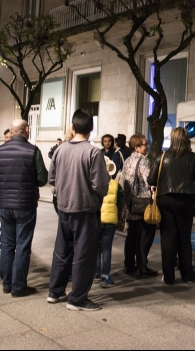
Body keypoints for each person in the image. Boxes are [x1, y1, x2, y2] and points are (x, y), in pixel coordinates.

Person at [47, 109, 110, 311]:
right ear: (91, 129)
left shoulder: (60, 150)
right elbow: (100, 185)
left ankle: (55, 291)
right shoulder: (93, 152)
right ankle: (77, 299)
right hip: (85, 209)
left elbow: (51, 179)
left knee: (62, 250)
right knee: (84, 254)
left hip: (64, 207)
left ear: (73, 127)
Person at [148, 127, 195, 285]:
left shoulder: (163, 156)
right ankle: (187, 275)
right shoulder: (192, 157)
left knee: (167, 238)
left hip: (165, 199)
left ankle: (169, 276)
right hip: (185, 200)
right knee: (185, 238)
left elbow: (151, 180)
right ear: (186, 139)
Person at [0, 119, 48, 297]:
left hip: (4, 205)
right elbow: (42, 179)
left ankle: (7, 284)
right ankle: (18, 286)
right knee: (22, 245)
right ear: (27, 130)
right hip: (25, 205)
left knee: (6, 244)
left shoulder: (1, 150)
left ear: (12, 131)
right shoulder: (33, 151)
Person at [122, 134, 157, 277]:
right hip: (143, 203)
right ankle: (142, 266)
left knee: (132, 235)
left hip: (131, 203)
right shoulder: (144, 161)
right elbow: (150, 181)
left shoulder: (127, 161)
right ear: (136, 147)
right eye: (144, 144)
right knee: (146, 235)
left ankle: (129, 264)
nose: (147, 146)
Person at [94, 156, 123, 288]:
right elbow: (120, 203)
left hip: (96, 219)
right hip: (110, 220)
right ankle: (106, 275)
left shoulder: (94, 183)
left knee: (96, 248)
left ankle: (96, 273)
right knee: (106, 248)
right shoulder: (116, 185)